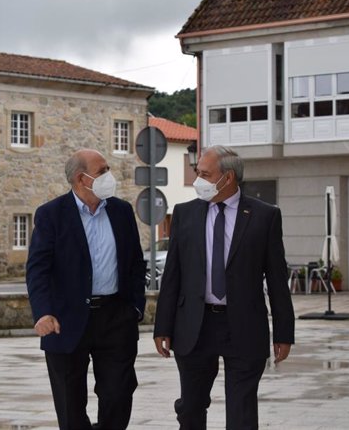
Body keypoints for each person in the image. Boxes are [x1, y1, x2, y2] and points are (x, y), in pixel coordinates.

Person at [153, 145, 295, 430]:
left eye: (205, 174)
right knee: (191, 407)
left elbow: (277, 279)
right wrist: (162, 326)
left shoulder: (265, 216)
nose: (198, 180)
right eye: (198, 173)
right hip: (195, 325)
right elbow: (173, 275)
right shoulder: (184, 214)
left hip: (243, 325)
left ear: (227, 178)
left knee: (242, 410)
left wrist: (283, 332)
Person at [26, 149, 146, 430]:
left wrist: (135, 308)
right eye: (103, 170)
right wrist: (43, 312)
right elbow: (37, 269)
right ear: (82, 178)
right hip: (65, 321)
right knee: (69, 403)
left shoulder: (121, 210)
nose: (109, 176)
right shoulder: (51, 214)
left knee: (118, 394)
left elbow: (136, 264)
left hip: (116, 317)